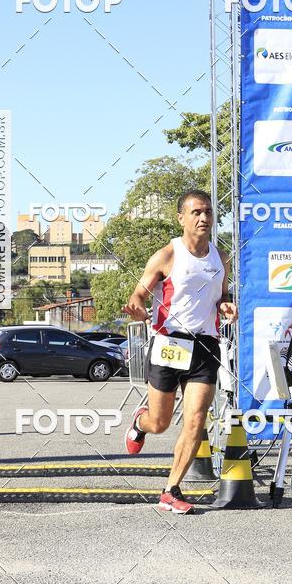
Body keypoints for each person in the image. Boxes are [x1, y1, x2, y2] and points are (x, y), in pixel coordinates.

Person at [123, 189, 238, 514]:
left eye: (208, 213)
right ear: (181, 218)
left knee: (196, 420)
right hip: (169, 343)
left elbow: (223, 295)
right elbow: (139, 294)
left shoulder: (221, 257)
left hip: (205, 345)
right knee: (159, 423)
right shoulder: (167, 255)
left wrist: (227, 304)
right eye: (196, 213)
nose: (204, 218)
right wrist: (137, 308)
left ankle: (171, 490)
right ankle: (139, 422)